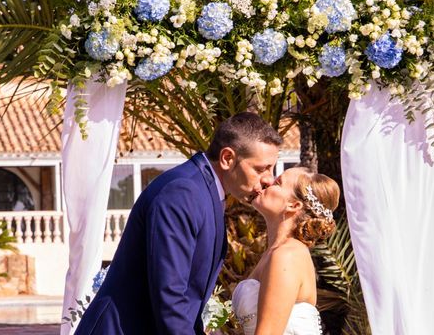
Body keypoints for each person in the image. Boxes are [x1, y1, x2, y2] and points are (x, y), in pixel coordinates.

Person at [75, 112, 283, 335]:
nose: (269, 179)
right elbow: (170, 294)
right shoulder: (183, 192)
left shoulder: (204, 190)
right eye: (261, 168)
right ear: (227, 158)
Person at [232, 167, 340, 335]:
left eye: (278, 182)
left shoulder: (287, 256)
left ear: (293, 205)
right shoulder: (275, 252)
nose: (267, 182)